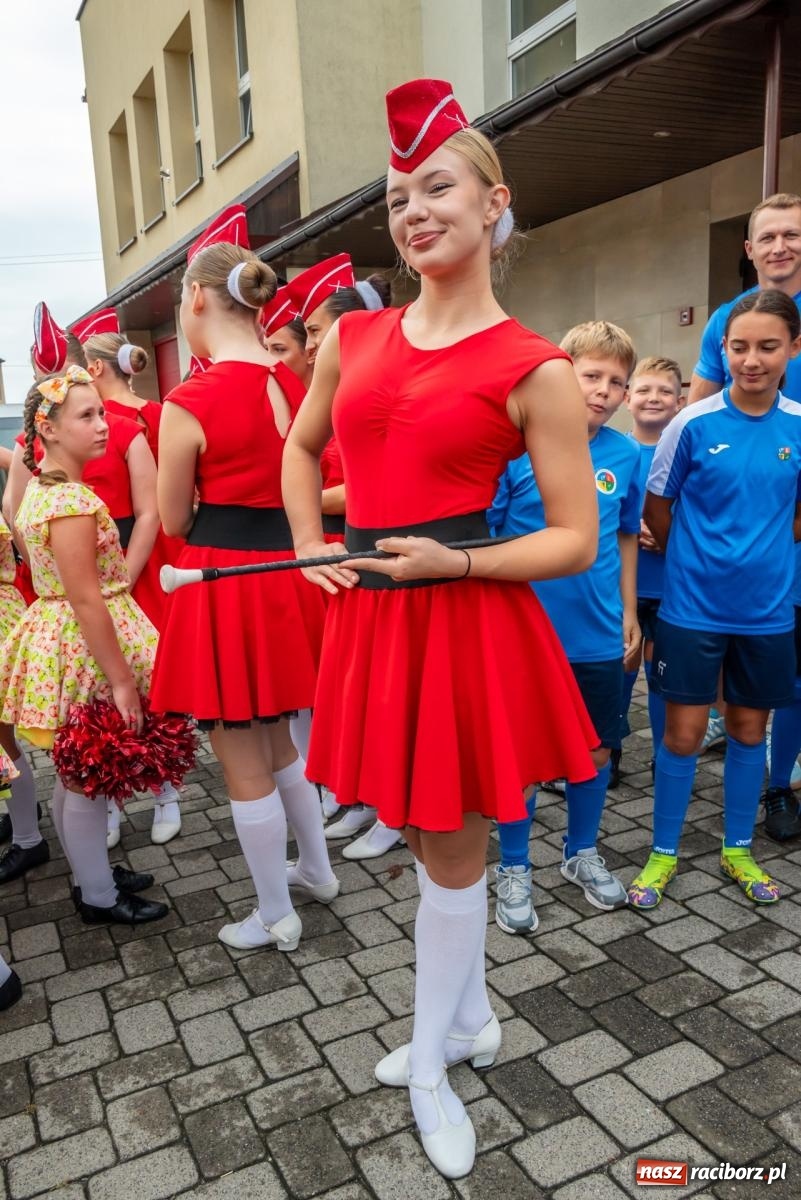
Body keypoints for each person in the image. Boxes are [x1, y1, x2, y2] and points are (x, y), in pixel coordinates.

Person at [281, 77, 598, 1179]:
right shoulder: (353, 336)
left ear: (491, 202)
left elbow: (574, 538)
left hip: (464, 618)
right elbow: (302, 451)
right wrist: (314, 542)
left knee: (452, 849)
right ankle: (463, 1024)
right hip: (374, 616)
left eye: (437, 186)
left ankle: (430, 1060)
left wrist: (455, 558)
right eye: (397, 195)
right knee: (426, 842)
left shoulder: (536, 364)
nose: (414, 209)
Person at [151, 230, 336, 954]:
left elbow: (171, 518)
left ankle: (272, 912)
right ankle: (315, 872)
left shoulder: (189, 398)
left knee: (241, 756)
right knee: (281, 744)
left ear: (197, 299)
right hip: (288, 573)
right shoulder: (294, 377)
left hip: (223, 580)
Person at [628, 289, 801, 909]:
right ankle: (663, 852)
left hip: (767, 615)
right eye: (739, 346)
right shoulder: (690, 423)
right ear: (723, 349)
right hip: (691, 610)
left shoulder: (799, 427)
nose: (751, 359)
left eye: (767, 346)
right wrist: (698, 561)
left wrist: (763, 555)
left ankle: (737, 848)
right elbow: (657, 505)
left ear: (793, 349)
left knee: (750, 729)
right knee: (682, 733)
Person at [0, 367, 167, 925]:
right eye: (87, 416)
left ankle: (91, 872)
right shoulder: (67, 499)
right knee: (85, 778)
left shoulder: (45, 490)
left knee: (78, 775)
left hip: (61, 638)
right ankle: (97, 894)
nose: (103, 426)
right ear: (46, 429)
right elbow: (86, 599)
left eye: (102, 413)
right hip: (81, 645)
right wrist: (121, 679)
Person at [488, 320, 640, 933]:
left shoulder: (627, 454)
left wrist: (629, 611)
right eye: (591, 376)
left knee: (596, 750)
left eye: (617, 383)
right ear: (561, 375)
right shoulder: (514, 452)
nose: (603, 391)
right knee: (522, 756)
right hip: (524, 635)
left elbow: (626, 535)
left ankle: (579, 853)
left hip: (598, 634)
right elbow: (490, 541)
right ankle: (515, 866)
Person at [688, 193, 801, 797]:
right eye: (769, 236)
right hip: (747, 525)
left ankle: (779, 786)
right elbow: (699, 411)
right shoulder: (726, 319)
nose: (781, 247)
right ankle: (740, 752)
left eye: (793, 235)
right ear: (749, 248)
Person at [286, 254, 399, 855]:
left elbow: (379, 483)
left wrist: (310, 498)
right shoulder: (332, 393)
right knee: (352, 693)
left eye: (313, 333)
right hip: (341, 557)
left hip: (382, 557)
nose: (307, 348)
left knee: (384, 698)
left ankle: (393, 813)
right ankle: (360, 798)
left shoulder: (379, 391)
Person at [80, 325, 184, 844]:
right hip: (87, 561)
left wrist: (127, 570)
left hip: (139, 554)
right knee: (98, 683)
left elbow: (160, 500)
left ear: (95, 368)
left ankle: (165, 785)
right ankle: (111, 792)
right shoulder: (72, 431)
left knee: (150, 678)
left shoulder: (137, 423)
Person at [618, 357, 685, 775]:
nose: (653, 398)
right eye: (644, 390)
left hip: (669, 590)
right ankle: (607, 756)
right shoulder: (615, 450)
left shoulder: (686, 449)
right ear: (628, 398)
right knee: (619, 676)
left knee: (660, 682)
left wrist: (667, 532)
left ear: (680, 402)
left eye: (664, 391)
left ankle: (666, 761)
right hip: (622, 588)